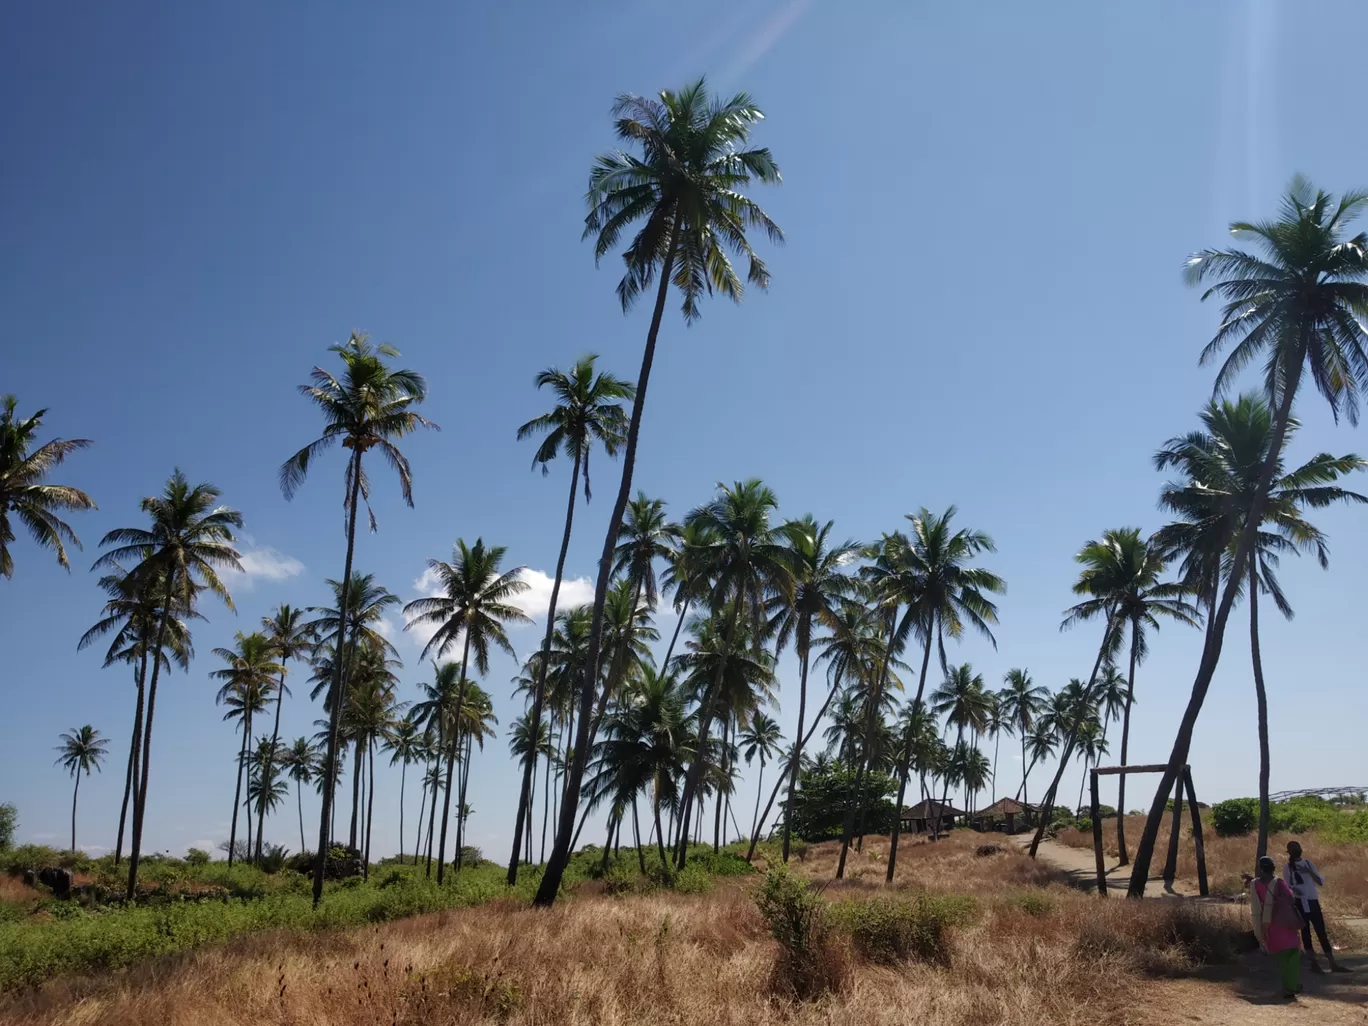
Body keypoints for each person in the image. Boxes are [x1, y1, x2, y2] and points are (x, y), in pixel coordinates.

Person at [1284, 840, 1349, 973]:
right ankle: (1314, 964)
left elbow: (1320, 881)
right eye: (1293, 848)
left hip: (1312, 901)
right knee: (1306, 933)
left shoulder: (1308, 863)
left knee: (1321, 932)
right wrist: (1295, 890)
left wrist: (1309, 872)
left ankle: (1332, 963)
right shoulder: (1288, 867)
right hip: (1300, 902)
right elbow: (1287, 886)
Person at [1250, 855, 1303, 1000]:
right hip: (1284, 922)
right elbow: (1290, 898)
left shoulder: (1254, 884)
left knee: (1281, 957)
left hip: (1268, 924)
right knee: (1293, 954)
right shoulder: (1278, 882)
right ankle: (1291, 986)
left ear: (1261, 868)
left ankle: (1288, 985)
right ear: (1273, 868)